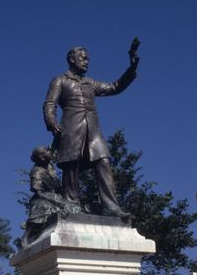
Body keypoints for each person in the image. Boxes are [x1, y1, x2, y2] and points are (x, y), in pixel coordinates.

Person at [43, 42, 139, 217]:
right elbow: (50, 104)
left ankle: (110, 206)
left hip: (93, 132)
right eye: (83, 58)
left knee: (103, 161)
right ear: (72, 59)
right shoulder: (60, 80)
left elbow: (114, 87)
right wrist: (51, 121)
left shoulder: (90, 83)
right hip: (71, 129)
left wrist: (131, 68)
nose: (87, 62)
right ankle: (71, 204)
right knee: (71, 165)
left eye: (88, 59)